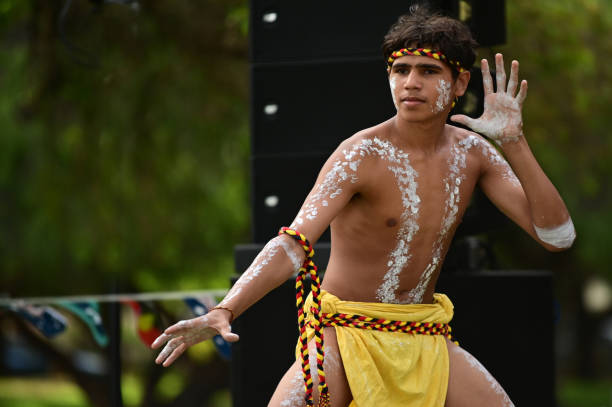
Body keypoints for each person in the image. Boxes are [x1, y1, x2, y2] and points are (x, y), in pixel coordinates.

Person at [151, 6, 575, 407]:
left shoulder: (474, 155)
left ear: (460, 84)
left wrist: (514, 142)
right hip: (345, 334)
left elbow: (557, 237)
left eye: (428, 71)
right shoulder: (360, 154)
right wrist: (225, 308)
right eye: (400, 70)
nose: (411, 83)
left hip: (424, 334)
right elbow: (293, 244)